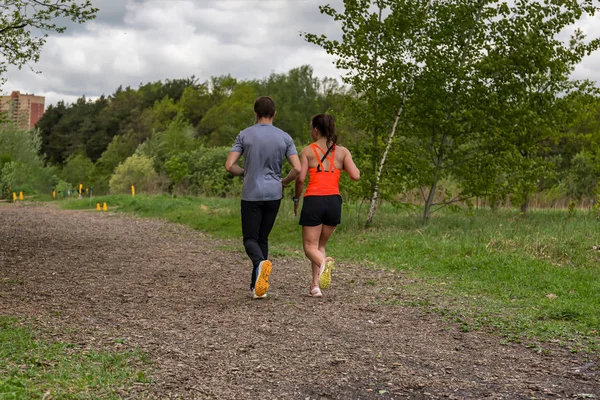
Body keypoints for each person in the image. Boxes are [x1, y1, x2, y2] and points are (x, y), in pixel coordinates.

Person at [225, 96, 301, 299]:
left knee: (250, 239)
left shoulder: (244, 135)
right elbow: (298, 168)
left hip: (252, 193)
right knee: (263, 238)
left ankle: (260, 265)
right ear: (275, 113)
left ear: (255, 113)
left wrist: (245, 172)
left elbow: (229, 165)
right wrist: (284, 181)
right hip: (274, 193)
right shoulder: (285, 137)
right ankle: (257, 287)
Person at [294, 114, 360, 297]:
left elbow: (300, 178)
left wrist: (296, 198)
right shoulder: (342, 152)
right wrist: (342, 166)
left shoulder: (307, 151)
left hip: (314, 199)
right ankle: (315, 286)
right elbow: (356, 175)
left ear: (315, 130)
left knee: (309, 246)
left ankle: (323, 265)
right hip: (333, 201)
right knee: (320, 245)